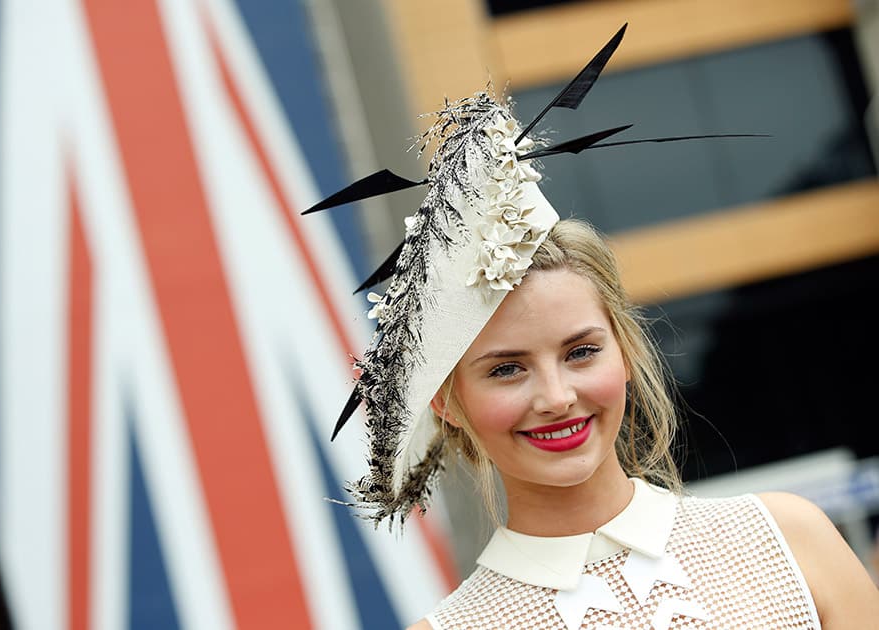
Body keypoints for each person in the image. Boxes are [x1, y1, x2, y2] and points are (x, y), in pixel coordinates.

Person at [306, 25, 879, 630]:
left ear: (625, 351)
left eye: (581, 352)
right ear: (447, 399)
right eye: (506, 368)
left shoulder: (791, 540)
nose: (556, 397)